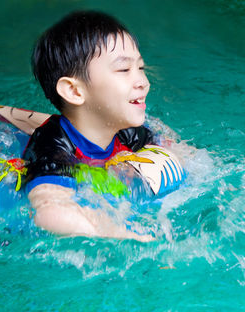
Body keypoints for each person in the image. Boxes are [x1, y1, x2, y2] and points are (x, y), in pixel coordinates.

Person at [23, 11, 156, 242]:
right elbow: (48, 213)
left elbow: (181, 155)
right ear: (75, 91)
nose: (143, 82)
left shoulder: (129, 133)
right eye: (124, 70)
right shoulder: (53, 143)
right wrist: (119, 233)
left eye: (141, 68)